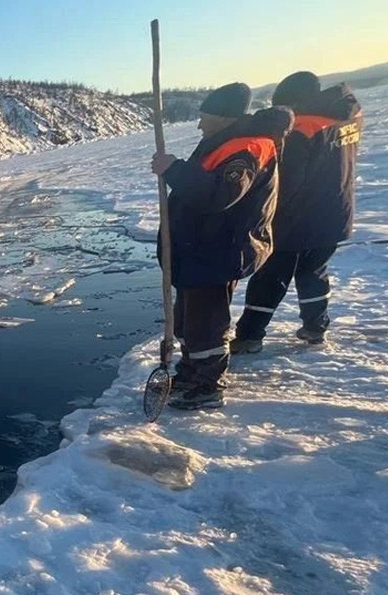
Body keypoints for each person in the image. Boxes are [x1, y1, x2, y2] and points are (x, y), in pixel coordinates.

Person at [150, 83, 294, 410]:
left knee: (206, 324)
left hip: (217, 251)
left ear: (224, 117)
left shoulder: (246, 150)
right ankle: (191, 372)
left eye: (205, 117)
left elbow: (219, 195)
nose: (199, 124)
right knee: (188, 320)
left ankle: (208, 386)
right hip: (200, 248)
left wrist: (174, 169)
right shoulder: (225, 142)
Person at [232, 72, 363, 351]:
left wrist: (263, 211)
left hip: (298, 217)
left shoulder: (302, 127)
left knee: (270, 273)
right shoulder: (346, 115)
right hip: (336, 211)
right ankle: (316, 327)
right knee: (313, 270)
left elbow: (287, 180)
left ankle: (250, 336)